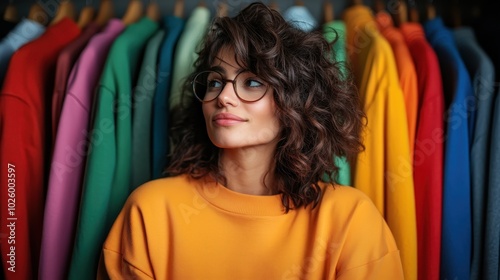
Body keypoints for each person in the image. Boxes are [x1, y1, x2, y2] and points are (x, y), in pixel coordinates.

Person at [98, 2, 404, 279]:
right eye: (215, 81)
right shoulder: (150, 211)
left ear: (295, 101)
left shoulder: (350, 220)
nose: (223, 97)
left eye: (253, 81)